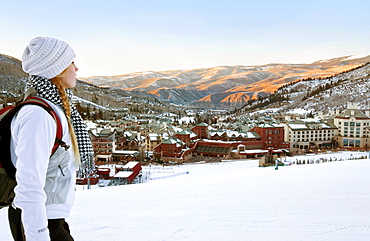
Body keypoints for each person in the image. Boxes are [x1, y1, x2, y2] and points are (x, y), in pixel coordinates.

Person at [8, 37, 94, 240]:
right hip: (39, 222)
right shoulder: (38, 115)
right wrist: (38, 235)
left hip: (53, 218)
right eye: (72, 62)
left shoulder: (57, 108)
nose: (77, 68)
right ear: (58, 68)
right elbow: (29, 183)